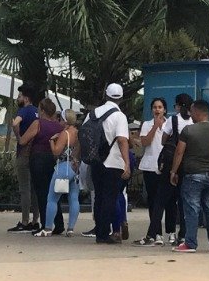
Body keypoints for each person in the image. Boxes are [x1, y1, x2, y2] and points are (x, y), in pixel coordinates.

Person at [169, 100, 209, 253]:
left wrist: (173, 171)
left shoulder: (188, 130)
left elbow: (179, 152)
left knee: (192, 209)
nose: (190, 115)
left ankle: (190, 243)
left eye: (192, 112)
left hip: (193, 175)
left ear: (198, 112)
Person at [82, 83, 130, 244]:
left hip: (95, 161)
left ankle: (99, 231)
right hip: (113, 162)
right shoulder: (119, 116)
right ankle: (104, 233)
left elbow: (84, 135)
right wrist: (127, 164)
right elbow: (123, 140)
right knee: (110, 198)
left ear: (105, 95)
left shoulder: (93, 113)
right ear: (121, 98)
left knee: (99, 197)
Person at [23, 98, 66, 236]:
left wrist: (16, 130)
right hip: (52, 159)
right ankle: (58, 223)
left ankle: (45, 224)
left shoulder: (38, 123)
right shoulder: (59, 127)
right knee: (53, 192)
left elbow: (23, 140)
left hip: (38, 158)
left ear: (42, 110)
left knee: (41, 193)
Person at [135, 97, 170, 246]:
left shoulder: (169, 124)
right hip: (149, 165)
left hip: (164, 166)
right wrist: (155, 127)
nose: (157, 110)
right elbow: (144, 142)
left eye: (160, 107)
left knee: (161, 201)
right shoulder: (147, 125)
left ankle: (156, 233)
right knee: (152, 200)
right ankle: (157, 233)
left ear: (165, 109)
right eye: (155, 107)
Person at [160, 93, 194, 246]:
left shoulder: (172, 120)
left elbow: (163, 140)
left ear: (178, 106)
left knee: (169, 200)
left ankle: (171, 232)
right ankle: (184, 234)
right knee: (185, 201)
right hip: (189, 164)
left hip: (173, 164)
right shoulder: (195, 121)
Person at [8, 84, 41, 232]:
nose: (18, 98)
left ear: (26, 98)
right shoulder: (37, 112)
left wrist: (17, 133)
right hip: (35, 153)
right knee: (35, 188)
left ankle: (25, 221)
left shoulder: (24, 110)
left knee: (24, 189)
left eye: (20, 96)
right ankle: (36, 220)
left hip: (23, 152)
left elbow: (15, 123)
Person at [44, 109, 81, 237]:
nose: (58, 120)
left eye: (60, 118)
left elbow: (56, 152)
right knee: (74, 198)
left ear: (65, 120)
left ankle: (48, 227)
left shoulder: (65, 134)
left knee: (52, 198)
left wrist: (51, 141)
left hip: (63, 167)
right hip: (74, 167)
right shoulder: (77, 133)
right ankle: (70, 228)